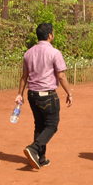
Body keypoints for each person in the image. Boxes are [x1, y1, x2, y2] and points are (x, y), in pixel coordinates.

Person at [15, 22, 73, 170]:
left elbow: (24, 77)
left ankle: (41, 158)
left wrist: (19, 94)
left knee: (39, 125)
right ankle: (34, 149)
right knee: (52, 125)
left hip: (32, 95)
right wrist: (69, 92)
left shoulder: (28, 53)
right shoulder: (54, 53)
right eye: (53, 32)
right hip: (48, 95)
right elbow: (61, 75)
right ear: (49, 35)